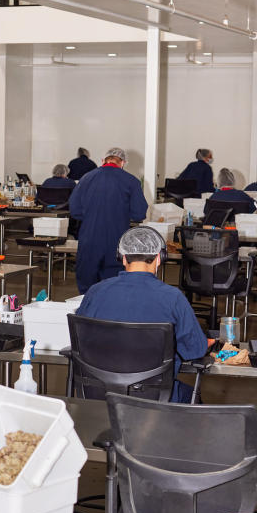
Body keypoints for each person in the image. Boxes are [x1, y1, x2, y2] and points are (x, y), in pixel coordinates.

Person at [77, 227, 208, 403]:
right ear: (160, 258)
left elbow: (80, 340)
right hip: (154, 398)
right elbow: (195, 350)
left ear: (123, 258)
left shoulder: (95, 292)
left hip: (98, 394)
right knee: (190, 395)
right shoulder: (173, 297)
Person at [69, 147, 148, 294]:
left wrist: (92, 217)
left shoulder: (86, 179)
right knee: (113, 285)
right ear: (123, 162)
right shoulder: (131, 181)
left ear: (103, 160)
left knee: (87, 286)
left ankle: (87, 314)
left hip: (89, 238)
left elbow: (74, 210)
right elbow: (139, 214)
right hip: (117, 239)